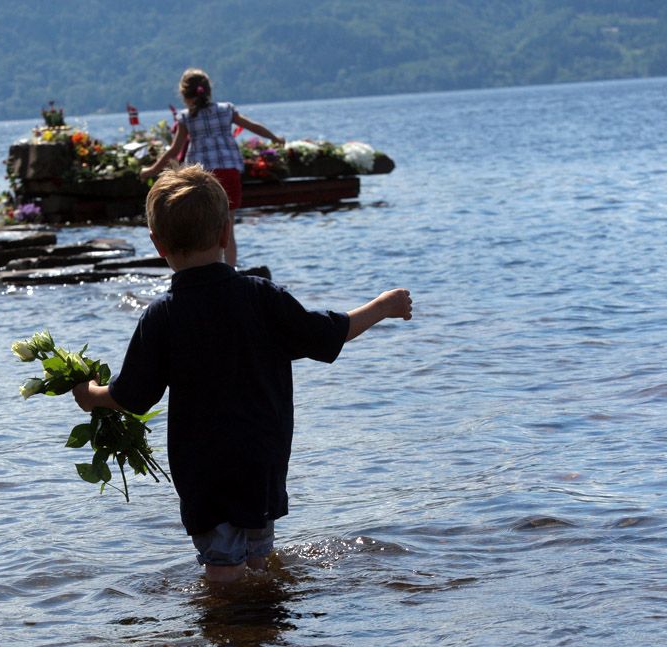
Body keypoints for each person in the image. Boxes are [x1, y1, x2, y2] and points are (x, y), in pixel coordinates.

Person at [72, 166, 413, 583]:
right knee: (258, 557)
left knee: (221, 568)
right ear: (225, 233)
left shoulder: (163, 315)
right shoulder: (260, 296)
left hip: (205, 468)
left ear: (157, 244)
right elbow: (325, 334)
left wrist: (91, 394)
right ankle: (261, 634)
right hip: (263, 459)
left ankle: (232, 640)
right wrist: (381, 306)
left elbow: (134, 394)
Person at [139, 68, 285, 267]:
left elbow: (174, 150)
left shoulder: (186, 118)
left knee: (199, 226)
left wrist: (151, 170)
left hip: (201, 177)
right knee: (228, 228)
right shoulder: (226, 110)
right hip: (229, 171)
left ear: (184, 95)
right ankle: (230, 271)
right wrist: (275, 139)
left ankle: (197, 268)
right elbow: (254, 127)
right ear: (208, 90)